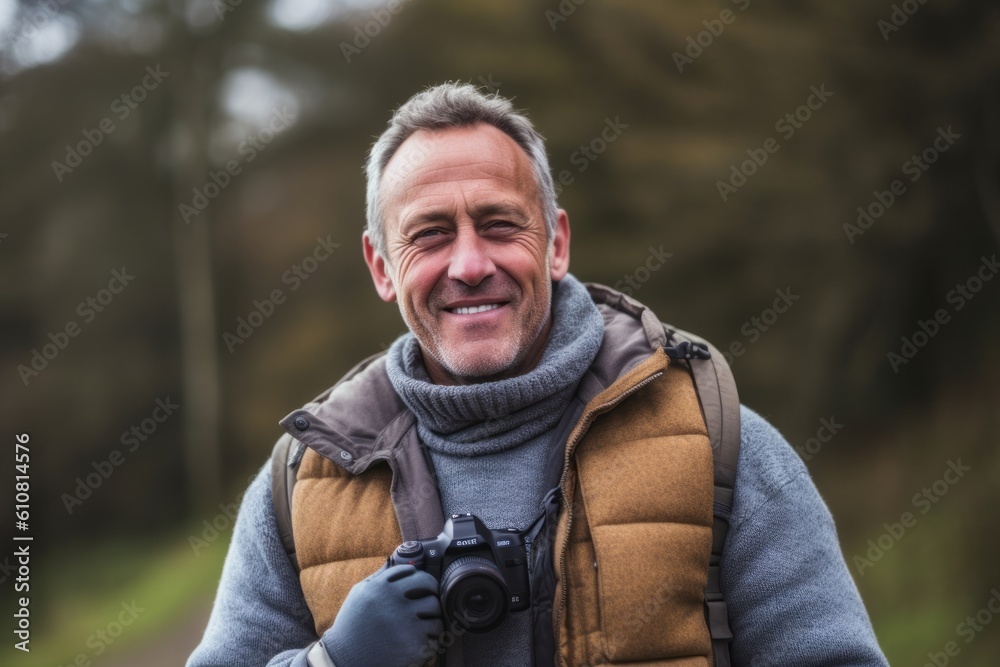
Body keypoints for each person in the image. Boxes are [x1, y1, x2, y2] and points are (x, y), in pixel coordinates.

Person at [188, 82, 889, 667]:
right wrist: (333, 662)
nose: (468, 264)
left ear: (556, 243)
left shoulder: (715, 437)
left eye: (499, 224)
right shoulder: (302, 483)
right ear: (380, 266)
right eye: (430, 233)